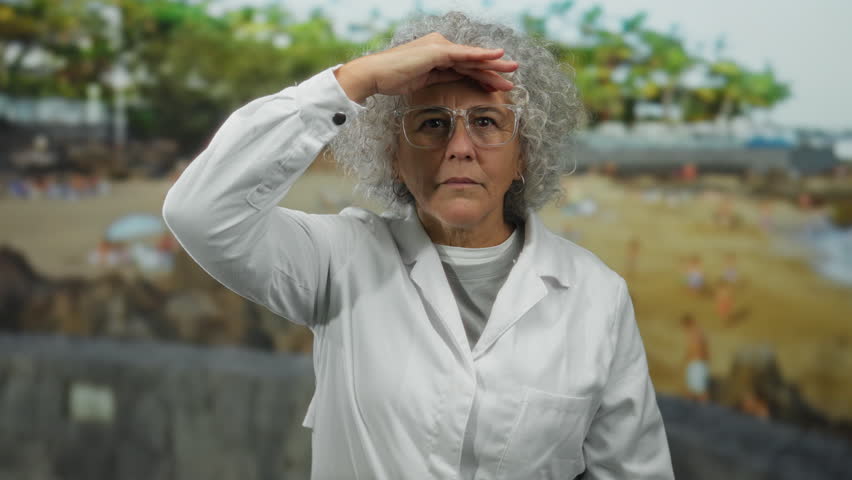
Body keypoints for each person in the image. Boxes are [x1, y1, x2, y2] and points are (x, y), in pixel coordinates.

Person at [162, 12, 673, 480]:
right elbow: (201, 213)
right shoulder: (338, 259)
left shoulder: (598, 297)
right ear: (393, 158)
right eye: (431, 123)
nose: (459, 147)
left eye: (487, 123)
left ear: (525, 155)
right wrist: (355, 79)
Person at [680, 313, 710, 402]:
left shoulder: (695, 333)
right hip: (696, 363)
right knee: (692, 390)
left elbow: (696, 349)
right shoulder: (697, 332)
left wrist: (686, 359)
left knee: (699, 391)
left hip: (697, 364)